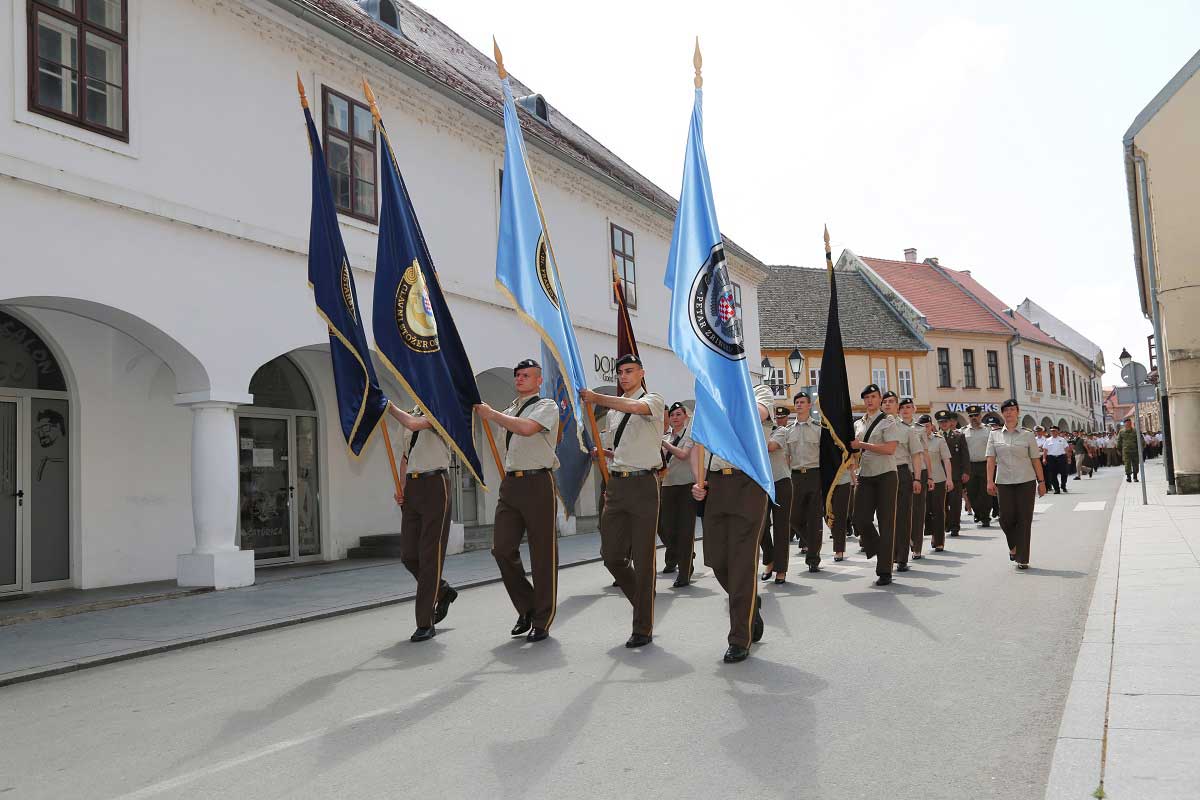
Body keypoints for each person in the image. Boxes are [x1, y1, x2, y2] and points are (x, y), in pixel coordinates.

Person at [581, 355, 666, 649]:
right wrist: (604, 455)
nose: (624, 376)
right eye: (620, 372)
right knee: (612, 555)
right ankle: (644, 599)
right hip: (618, 484)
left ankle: (642, 625)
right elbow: (623, 451)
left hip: (644, 484)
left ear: (642, 373)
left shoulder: (653, 400)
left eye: (629, 371)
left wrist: (597, 397)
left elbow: (635, 407)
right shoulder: (616, 413)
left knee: (643, 557)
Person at [475, 359, 561, 643]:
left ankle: (542, 618)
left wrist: (492, 416)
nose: (520, 379)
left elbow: (526, 429)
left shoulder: (546, 406)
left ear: (538, 380)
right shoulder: (510, 409)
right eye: (517, 375)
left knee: (541, 554)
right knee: (501, 549)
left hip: (538, 482)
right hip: (511, 483)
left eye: (526, 375)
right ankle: (527, 606)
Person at [691, 383, 774, 663]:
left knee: (741, 562)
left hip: (748, 483)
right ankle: (750, 602)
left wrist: (726, 396)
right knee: (717, 560)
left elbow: (759, 414)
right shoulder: (710, 397)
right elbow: (698, 443)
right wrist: (698, 481)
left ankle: (739, 637)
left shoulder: (758, 392)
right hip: (716, 484)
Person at [387, 402, 459, 643]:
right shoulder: (411, 412)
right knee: (409, 555)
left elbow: (414, 424)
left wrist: (389, 408)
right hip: (414, 486)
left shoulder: (442, 407)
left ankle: (425, 623)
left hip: (435, 483)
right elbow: (405, 457)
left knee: (430, 555)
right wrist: (402, 487)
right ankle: (442, 589)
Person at [850, 384, 904, 586]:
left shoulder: (888, 421)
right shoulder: (858, 424)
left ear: (880, 399)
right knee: (859, 518)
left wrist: (862, 445)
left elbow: (890, 449)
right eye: (866, 398)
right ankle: (882, 550)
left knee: (886, 522)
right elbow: (855, 452)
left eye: (873, 397)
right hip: (865, 476)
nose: (870, 400)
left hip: (885, 476)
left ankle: (884, 571)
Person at [986, 399, 1048, 570]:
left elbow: (1036, 460)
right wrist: (989, 481)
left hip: (1026, 482)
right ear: (1003, 413)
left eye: (1013, 410)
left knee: (1024, 519)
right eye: (1006, 410)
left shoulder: (1027, 434)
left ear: (1018, 412)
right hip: (1004, 482)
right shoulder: (994, 434)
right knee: (1005, 518)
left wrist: (1041, 482)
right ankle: (1013, 545)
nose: (1009, 413)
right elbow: (991, 460)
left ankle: (1022, 557)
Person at [881, 392, 920, 573]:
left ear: (898, 406)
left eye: (891, 402)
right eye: (885, 402)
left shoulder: (907, 429)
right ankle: (888, 555)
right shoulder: (877, 428)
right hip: (882, 473)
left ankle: (902, 557)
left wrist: (917, 478)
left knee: (902, 517)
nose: (887, 404)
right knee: (885, 518)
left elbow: (915, 455)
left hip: (902, 472)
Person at [785, 391, 824, 574]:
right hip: (795, 477)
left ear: (810, 406)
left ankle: (813, 559)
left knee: (814, 519)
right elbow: (786, 457)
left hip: (815, 475)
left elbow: (825, 457)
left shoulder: (818, 429)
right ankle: (812, 542)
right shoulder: (788, 431)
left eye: (802, 402)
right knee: (793, 517)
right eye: (797, 402)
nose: (799, 405)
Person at [659, 402, 697, 588]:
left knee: (685, 530)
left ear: (685, 417)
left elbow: (683, 455)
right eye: (672, 415)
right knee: (667, 528)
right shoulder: (664, 436)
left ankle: (684, 572)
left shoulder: (689, 435)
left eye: (678, 414)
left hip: (686, 486)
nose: (675, 417)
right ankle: (683, 555)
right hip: (667, 486)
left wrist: (664, 444)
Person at [759, 405, 795, 583]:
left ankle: (781, 569)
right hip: (761, 485)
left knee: (781, 528)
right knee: (760, 527)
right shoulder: (754, 431)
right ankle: (770, 559)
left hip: (780, 483)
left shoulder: (779, 430)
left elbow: (769, 447)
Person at [897, 397, 929, 561]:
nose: (906, 410)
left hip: (918, 472)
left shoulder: (920, 429)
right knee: (901, 511)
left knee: (917, 510)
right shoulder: (894, 426)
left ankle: (916, 546)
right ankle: (903, 541)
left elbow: (925, 453)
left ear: (914, 409)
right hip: (901, 470)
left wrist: (929, 475)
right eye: (903, 407)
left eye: (909, 407)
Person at [921, 415, 954, 553]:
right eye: (922, 426)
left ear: (932, 426)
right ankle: (932, 533)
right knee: (925, 510)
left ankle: (939, 540)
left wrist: (949, 479)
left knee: (938, 510)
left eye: (927, 426)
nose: (925, 429)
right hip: (921, 479)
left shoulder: (939, 440)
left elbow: (946, 460)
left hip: (938, 479)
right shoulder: (916, 440)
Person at [938, 410, 968, 537]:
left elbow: (965, 456)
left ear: (950, 422)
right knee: (942, 503)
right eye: (941, 422)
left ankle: (955, 526)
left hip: (955, 475)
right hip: (939, 476)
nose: (944, 424)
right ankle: (946, 524)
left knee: (955, 503)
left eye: (946, 421)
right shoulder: (935, 436)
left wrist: (966, 472)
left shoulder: (958, 436)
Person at [962, 406, 992, 527]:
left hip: (985, 464)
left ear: (980, 416)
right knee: (972, 492)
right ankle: (978, 513)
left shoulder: (988, 430)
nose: (974, 418)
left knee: (986, 492)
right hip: (970, 466)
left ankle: (985, 517)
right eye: (971, 416)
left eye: (976, 415)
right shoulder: (963, 431)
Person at [1042, 427, 1071, 494]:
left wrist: (1068, 458)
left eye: (1054, 431)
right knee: (1052, 474)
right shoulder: (1048, 440)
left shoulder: (1062, 439)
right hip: (1051, 458)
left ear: (1057, 431)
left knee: (1064, 473)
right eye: (1052, 431)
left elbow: (1066, 449)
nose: (1053, 432)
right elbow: (1045, 450)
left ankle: (1063, 485)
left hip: (1061, 457)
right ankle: (1056, 489)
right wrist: (1044, 458)